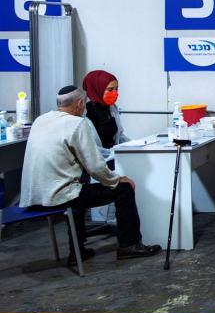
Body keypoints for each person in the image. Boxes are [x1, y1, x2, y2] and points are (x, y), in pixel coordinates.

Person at [19, 86, 161, 263]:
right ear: (79, 103)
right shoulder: (77, 124)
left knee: (77, 188)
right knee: (123, 189)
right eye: (84, 102)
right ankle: (129, 245)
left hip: (34, 197)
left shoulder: (40, 120)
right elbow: (95, 166)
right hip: (59, 197)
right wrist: (117, 180)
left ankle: (77, 251)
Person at [82, 70, 128, 152]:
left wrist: (135, 146)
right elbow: (90, 147)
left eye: (116, 89)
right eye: (110, 90)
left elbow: (119, 136)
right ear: (97, 88)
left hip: (114, 156)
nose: (115, 93)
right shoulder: (86, 112)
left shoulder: (111, 108)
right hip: (98, 160)